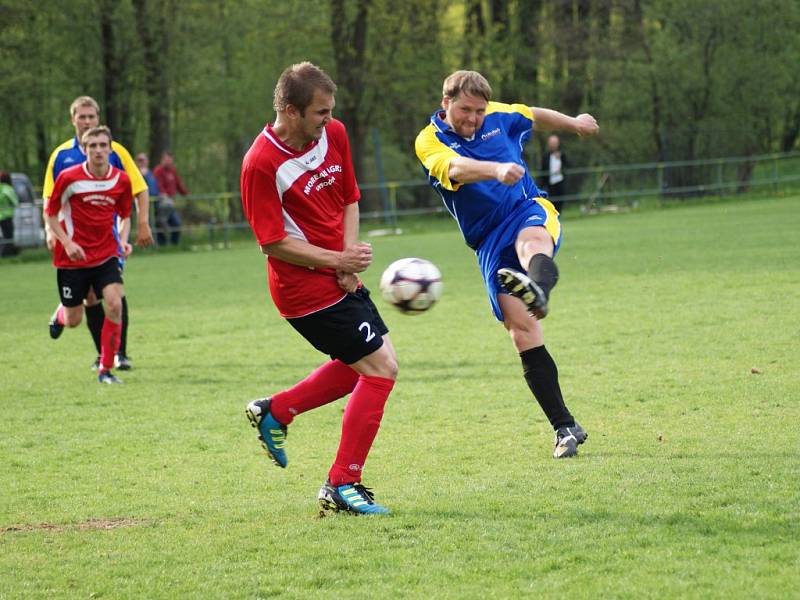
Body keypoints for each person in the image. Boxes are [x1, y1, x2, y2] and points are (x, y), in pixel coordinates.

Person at [240, 61, 398, 515]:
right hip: (302, 292)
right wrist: (338, 262)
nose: (328, 120)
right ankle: (342, 483)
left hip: (338, 276)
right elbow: (272, 242)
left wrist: (348, 260)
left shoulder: (335, 134)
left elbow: (349, 196)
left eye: (330, 111)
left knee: (359, 367)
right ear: (290, 111)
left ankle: (278, 411)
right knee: (381, 369)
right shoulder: (261, 163)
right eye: (319, 113)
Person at [415, 70, 599, 458]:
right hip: (486, 240)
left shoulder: (499, 115)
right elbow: (454, 170)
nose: (473, 118)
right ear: (446, 102)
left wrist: (575, 124)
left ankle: (539, 289)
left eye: (479, 111)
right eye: (466, 109)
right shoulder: (429, 140)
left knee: (531, 241)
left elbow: (531, 113)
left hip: (525, 208)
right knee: (522, 331)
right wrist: (495, 170)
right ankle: (564, 427)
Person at [43, 96, 152, 371]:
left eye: (92, 117)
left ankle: (118, 355)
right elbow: (49, 201)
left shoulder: (116, 151)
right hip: (74, 244)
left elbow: (137, 190)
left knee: (114, 296)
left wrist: (140, 226)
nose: (87, 121)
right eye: (82, 117)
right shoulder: (61, 158)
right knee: (86, 303)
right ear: (73, 120)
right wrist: (52, 232)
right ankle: (88, 339)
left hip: (109, 240)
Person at [44, 126, 133, 384]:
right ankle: (62, 313)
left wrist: (123, 241)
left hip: (106, 254)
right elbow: (50, 214)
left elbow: (125, 215)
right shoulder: (68, 178)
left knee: (115, 304)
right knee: (74, 320)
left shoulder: (121, 180)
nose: (98, 150)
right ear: (84, 150)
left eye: (103, 145)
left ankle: (106, 369)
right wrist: (67, 242)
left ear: (110, 148)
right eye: (92, 146)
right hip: (73, 259)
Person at [152, 151, 186, 246]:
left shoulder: (172, 170)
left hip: (170, 203)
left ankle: (174, 245)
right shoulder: (158, 170)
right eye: (166, 159)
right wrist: (163, 193)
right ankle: (162, 245)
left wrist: (185, 193)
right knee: (160, 223)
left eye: (170, 159)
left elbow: (178, 183)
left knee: (177, 224)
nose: (168, 161)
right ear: (162, 159)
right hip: (161, 203)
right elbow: (157, 184)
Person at [540, 134, 569, 213]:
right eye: (551, 143)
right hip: (549, 184)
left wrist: (561, 157)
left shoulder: (562, 154)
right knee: (551, 203)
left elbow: (568, 166)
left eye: (554, 143)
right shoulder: (545, 156)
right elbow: (542, 170)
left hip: (560, 182)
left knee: (560, 202)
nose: (553, 145)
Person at [0, 171, 19, 257]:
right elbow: (15, 202)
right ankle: (6, 255)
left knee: (3, 237)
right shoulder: (8, 189)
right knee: (9, 237)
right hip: (6, 216)